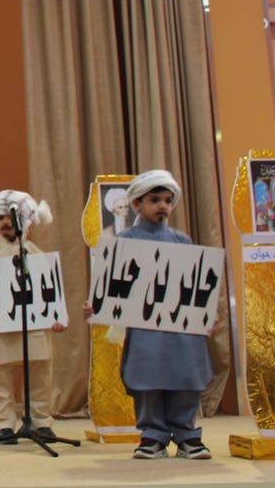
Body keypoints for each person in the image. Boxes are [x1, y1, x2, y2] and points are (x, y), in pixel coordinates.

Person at [84, 169, 216, 460]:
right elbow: (112, 290)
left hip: (182, 330)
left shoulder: (182, 241)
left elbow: (195, 286)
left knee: (185, 377)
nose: (163, 206)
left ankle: (187, 436)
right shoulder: (123, 241)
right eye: (155, 200)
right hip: (145, 330)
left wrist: (206, 314)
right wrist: (97, 305)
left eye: (167, 200)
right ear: (137, 204)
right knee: (148, 379)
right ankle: (153, 437)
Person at [0, 190, 64, 443]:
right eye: (1, 218)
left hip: (35, 328)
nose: (6, 222)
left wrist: (58, 316)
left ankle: (40, 421)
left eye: (11, 217)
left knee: (40, 374)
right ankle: (3, 424)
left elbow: (50, 290)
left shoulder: (37, 255)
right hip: (1, 329)